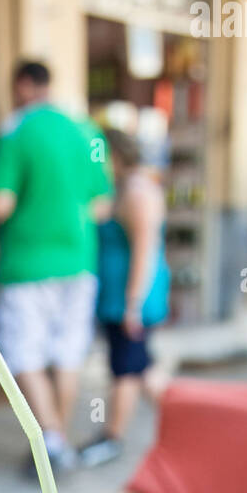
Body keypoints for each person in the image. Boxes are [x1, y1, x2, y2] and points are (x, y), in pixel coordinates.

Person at [0, 61, 112, 475]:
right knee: (67, 353)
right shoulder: (85, 129)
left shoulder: (15, 131)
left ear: (22, 85)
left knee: (26, 353)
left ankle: (52, 441)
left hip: (26, 263)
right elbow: (102, 205)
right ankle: (57, 441)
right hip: (79, 259)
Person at [80, 128, 170, 467]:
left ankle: (112, 437)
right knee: (143, 365)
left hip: (131, 301)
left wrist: (133, 303)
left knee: (126, 367)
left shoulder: (138, 191)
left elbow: (145, 250)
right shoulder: (120, 190)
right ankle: (190, 422)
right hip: (119, 299)